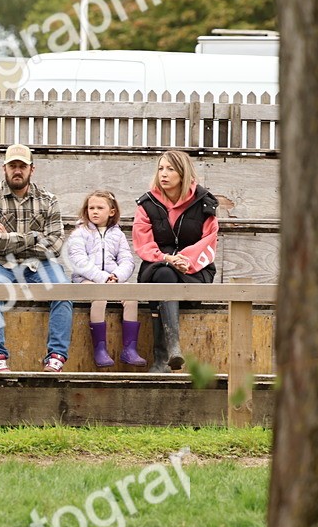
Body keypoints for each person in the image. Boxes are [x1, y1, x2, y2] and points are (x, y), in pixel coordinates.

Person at [0, 144, 72, 373]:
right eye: (12, 166)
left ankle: (56, 357)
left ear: (31, 169)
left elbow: (56, 245)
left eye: (22, 166)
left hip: (39, 265)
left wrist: (9, 238)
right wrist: (35, 236)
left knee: (64, 290)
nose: (17, 170)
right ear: (4, 168)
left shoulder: (49, 199)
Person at [131, 150, 218, 373]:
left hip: (195, 271)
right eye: (161, 168)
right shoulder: (147, 203)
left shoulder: (204, 202)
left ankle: (162, 359)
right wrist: (166, 258)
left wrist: (186, 261)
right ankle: (172, 349)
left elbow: (209, 240)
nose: (164, 174)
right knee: (163, 273)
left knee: (165, 276)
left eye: (170, 169)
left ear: (183, 173)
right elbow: (142, 243)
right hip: (157, 266)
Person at [66, 190, 144, 368]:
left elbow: (127, 260)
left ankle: (129, 349)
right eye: (91, 208)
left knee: (131, 297)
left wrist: (116, 276)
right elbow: (79, 261)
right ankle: (100, 349)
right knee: (100, 296)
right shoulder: (79, 233)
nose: (94, 211)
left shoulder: (118, 235)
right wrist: (103, 278)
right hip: (85, 279)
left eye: (100, 208)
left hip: (112, 279)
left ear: (111, 211)